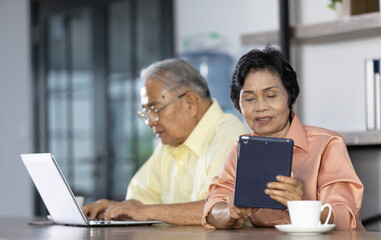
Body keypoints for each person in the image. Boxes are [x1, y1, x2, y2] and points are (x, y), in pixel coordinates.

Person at [202, 46, 365, 231]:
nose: (261, 107)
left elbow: (345, 217)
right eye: (249, 99)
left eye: (271, 95)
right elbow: (212, 208)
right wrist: (231, 212)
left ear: (291, 98)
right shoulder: (242, 149)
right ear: (238, 105)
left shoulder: (327, 144)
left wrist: (298, 204)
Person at [82, 58, 249, 225]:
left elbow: (219, 210)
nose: (150, 121)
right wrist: (117, 210)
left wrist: (146, 211)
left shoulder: (228, 136)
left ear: (190, 102)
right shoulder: (168, 145)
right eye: (146, 113)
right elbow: (138, 202)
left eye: (155, 109)